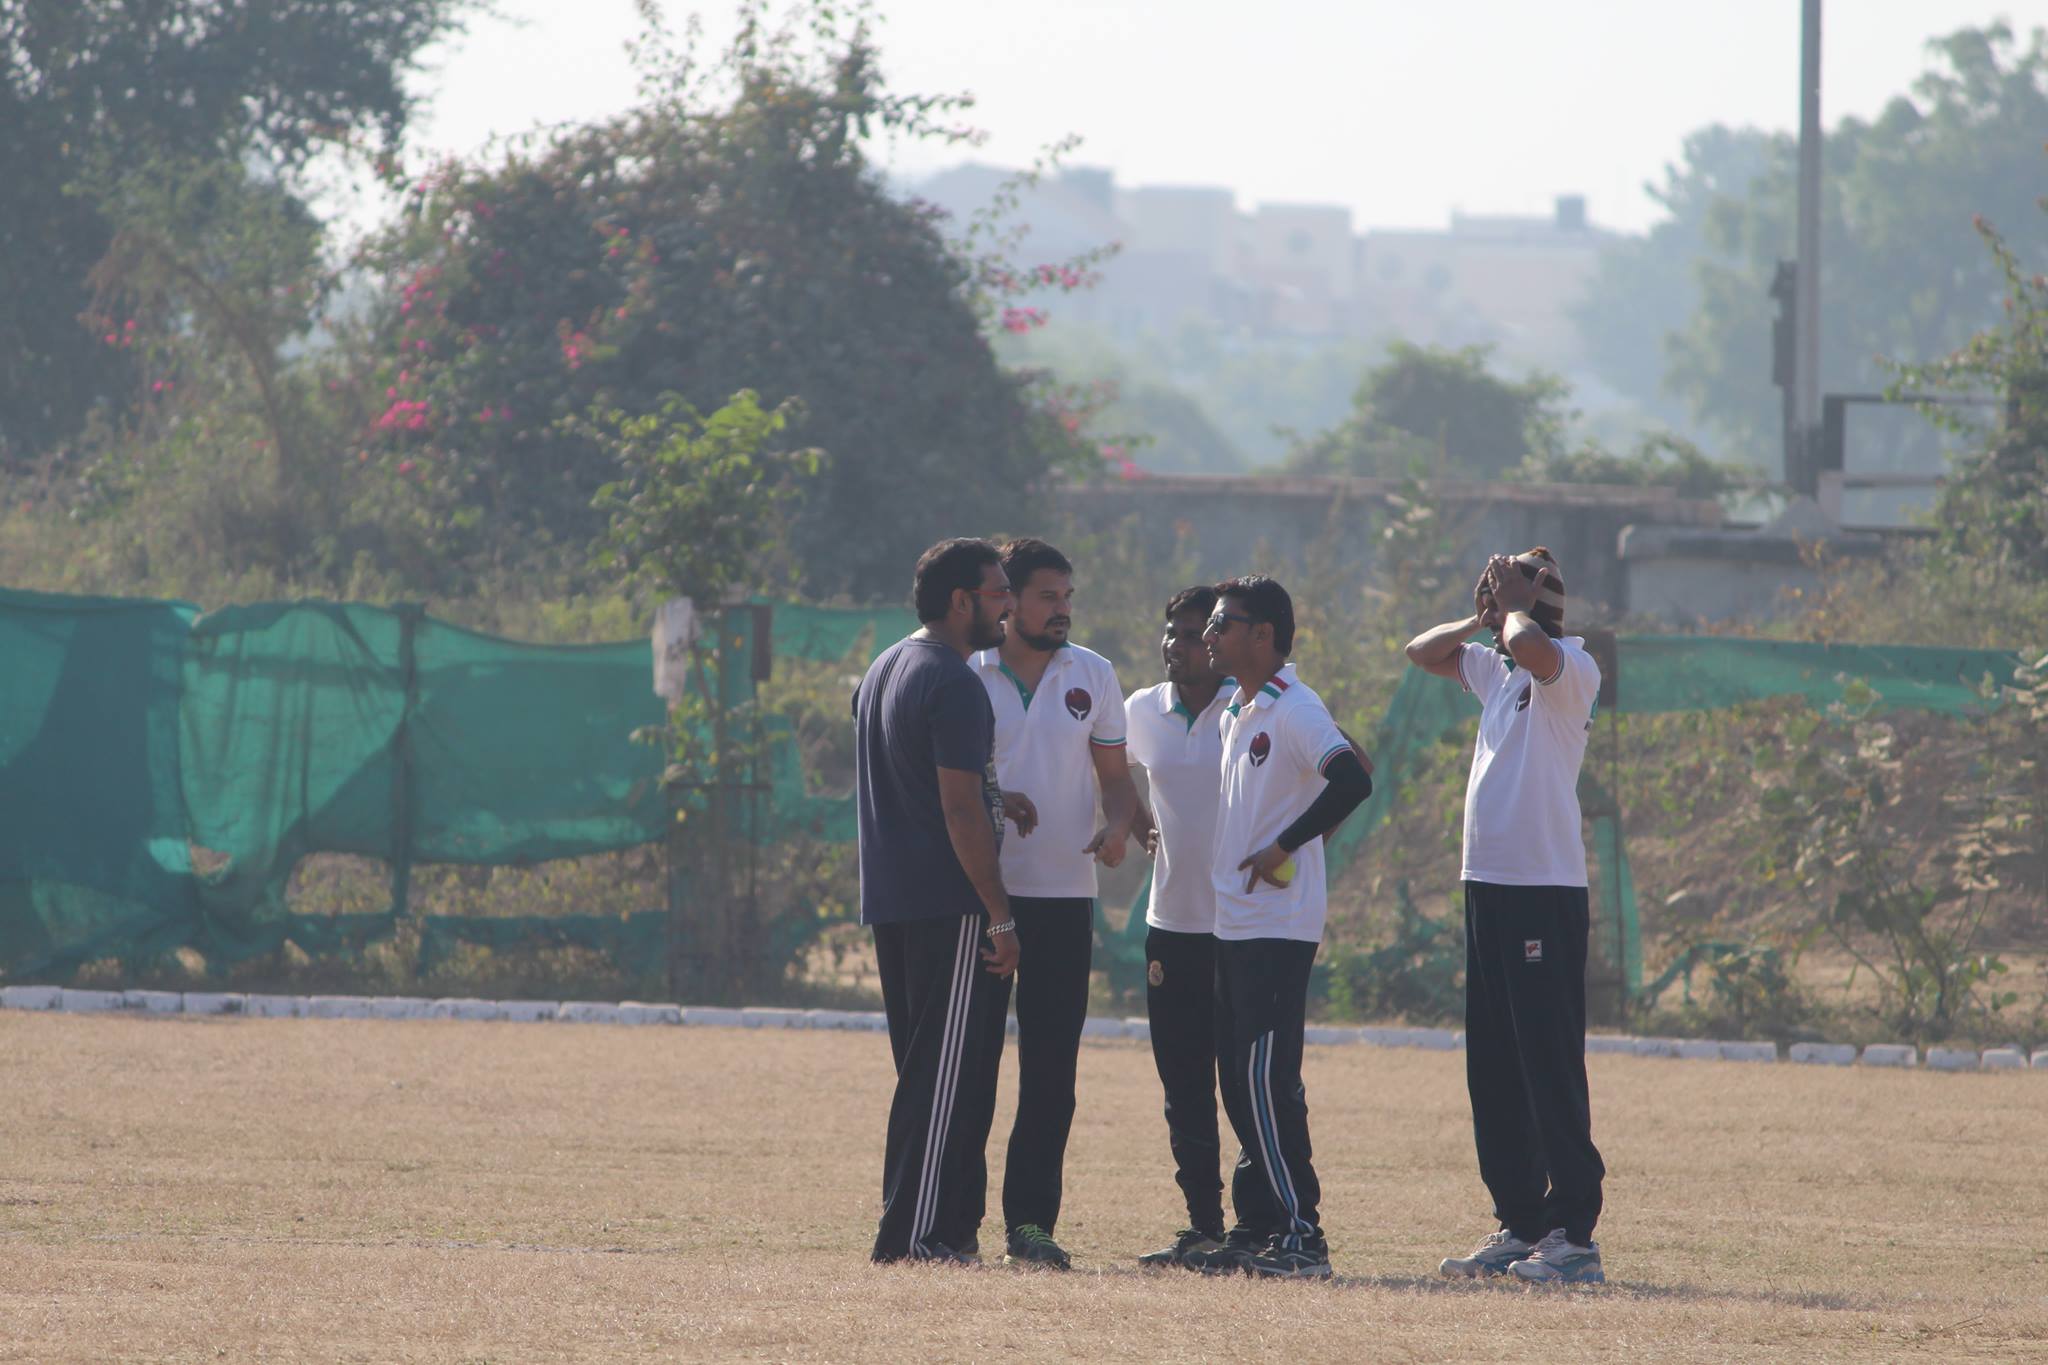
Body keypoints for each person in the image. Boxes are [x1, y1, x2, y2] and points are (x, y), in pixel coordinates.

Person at [1405, 547, 1608, 1286]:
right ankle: (1520, 1220)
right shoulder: (1498, 670)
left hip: (1541, 891)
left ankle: (1572, 1233)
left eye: (1509, 591)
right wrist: (1480, 616)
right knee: (1492, 1066)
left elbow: (1533, 646)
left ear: (1538, 604)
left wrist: (1517, 607)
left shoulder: (1571, 667)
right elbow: (1421, 652)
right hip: (1487, 885)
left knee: (1546, 1061)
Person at [854, 537, 1034, 1265]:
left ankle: (951, 1230)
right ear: (962, 601)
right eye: (998, 593)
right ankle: (916, 1238)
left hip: (895, 900)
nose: (1010, 606)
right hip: (949, 904)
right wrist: (1000, 912)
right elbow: (957, 809)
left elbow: (924, 779)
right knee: (942, 1080)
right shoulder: (956, 681)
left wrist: (997, 794)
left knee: (935, 1070)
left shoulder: (886, 665)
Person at [1187, 575, 1372, 1279]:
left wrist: (1287, 846)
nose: (1209, 635)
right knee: (1240, 1083)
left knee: (1266, 1081)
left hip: (1277, 926)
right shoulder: (1239, 708)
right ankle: (1261, 1226)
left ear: (1263, 635)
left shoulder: (1295, 707)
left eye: (1223, 623)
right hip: (1235, 922)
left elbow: (1353, 778)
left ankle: (1303, 1237)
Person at [965, 537, 1140, 1270]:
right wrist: (998, 796)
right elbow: (948, 781)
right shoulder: (965, 669)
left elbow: (1116, 779)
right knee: (970, 1064)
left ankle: (1030, 1224)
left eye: (1067, 596)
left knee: (1050, 1073)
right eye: (1047, 596)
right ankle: (952, 1222)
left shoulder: (1093, 672)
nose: (1062, 609)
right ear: (1007, 601)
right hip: (980, 896)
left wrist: (1119, 825)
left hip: (1066, 900)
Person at [1123, 585, 1232, 1268]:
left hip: (1244, 931)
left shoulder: (1255, 704)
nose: (1177, 645)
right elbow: (1105, 769)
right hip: (1170, 926)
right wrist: (1135, 824)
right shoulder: (1142, 709)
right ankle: (1204, 1226)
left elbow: (1350, 771)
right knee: (1184, 1087)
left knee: (1247, 1088)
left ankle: (1265, 1226)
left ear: (1219, 642)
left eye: (1192, 634)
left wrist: (1291, 853)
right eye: (1172, 632)